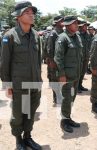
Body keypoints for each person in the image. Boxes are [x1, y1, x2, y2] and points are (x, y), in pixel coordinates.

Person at [0, 1, 42, 149]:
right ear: (18, 16)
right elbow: (5, 63)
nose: (31, 15)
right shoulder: (10, 36)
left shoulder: (36, 35)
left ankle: (28, 137)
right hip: (19, 84)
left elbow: (38, 61)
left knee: (31, 112)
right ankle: (18, 140)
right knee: (18, 114)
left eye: (32, 12)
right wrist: (7, 85)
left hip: (35, 83)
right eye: (27, 12)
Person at [54, 15, 83, 133]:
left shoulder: (77, 37)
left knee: (72, 97)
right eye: (74, 23)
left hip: (75, 74)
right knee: (66, 98)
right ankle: (64, 121)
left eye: (77, 23)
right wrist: (61, 74)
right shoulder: (62, 38)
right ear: (67, 25)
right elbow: (58, 58)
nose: (77, 25)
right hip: (66, 75)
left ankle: (68, 117)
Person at [43, 15, 64, 104]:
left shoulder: (62, 32)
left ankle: (60, 96)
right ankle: (56, 98)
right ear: (56, 22)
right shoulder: (53, 33)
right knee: (55, 80)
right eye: (61, 21)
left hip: (61, 60)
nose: (63, 22)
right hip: (55, 61)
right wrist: (51, 61)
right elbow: (49, 49)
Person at [77, 20, 91, 93]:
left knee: (83, 72)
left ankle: (80, 85)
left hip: (86, 56)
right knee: (78, 72)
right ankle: (76, 87)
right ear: (81, 26)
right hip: (79, 57)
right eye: (85, 25)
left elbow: (89, 45)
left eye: (86, 25)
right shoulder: (77, 34)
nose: (86, 27)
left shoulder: (87, 34)